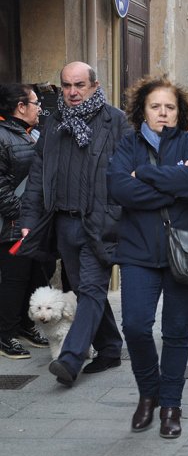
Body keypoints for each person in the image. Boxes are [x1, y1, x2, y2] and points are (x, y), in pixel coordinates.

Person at [106, 76, 188, 438]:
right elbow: (120, 188)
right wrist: (172, 188)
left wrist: (148, 175)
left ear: (179, 112)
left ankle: (170, 405)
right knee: (135, 326)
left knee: (175, 332)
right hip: (138, 251)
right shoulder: (126, 145)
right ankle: (148, 393)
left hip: (184, 251)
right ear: (143, 111)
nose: (163, 113)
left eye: (170, 107)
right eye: (156, 107)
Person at [19, 61, 129, 386]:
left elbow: (131, 172)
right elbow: (37, 176)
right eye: (66, 85)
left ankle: (70, 358)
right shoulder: (53, 124)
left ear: (94, 86)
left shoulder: (115, 121)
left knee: (93, 289)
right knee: (83, 290)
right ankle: (110, 346)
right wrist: (28, 219)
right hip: (63, 224)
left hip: (100, 221)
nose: (72, 92)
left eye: (79, 85)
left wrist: (120, 215)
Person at [0, 83, 51, 359]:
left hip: (33, 224)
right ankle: (5, 335)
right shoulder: (2, 136)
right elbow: (1, 187)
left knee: (33, 276)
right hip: (13, 226)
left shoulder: (31, 134)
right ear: (21, 107)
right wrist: (23, 214)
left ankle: (24, 326)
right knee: (14, 280)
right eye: (35, 104)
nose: (39, 108)